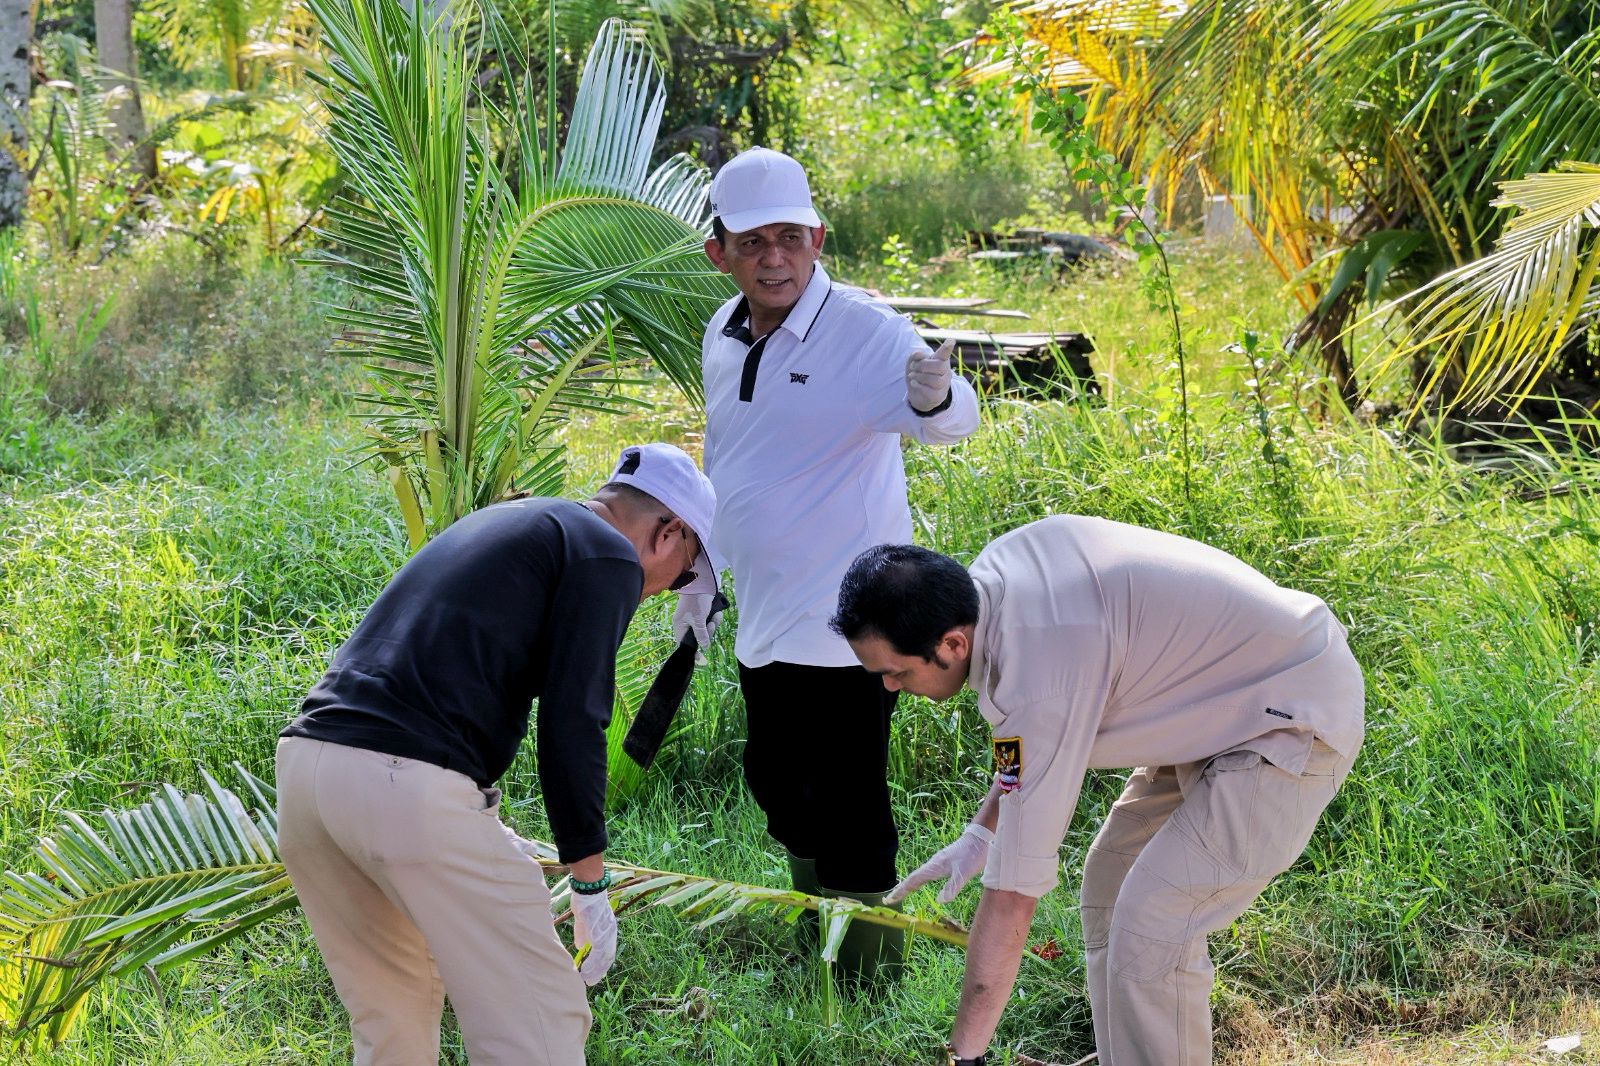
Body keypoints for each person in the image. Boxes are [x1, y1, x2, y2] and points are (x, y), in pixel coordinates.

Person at [829, 516, 1365, 1065]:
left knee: (1155, 921)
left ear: (951, 643)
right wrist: (979, 832)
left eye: (895, 672)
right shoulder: (992, 586)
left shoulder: (1043, 664)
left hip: (1288, 716)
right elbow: (1023, 742)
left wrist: (964, 1057)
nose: (889, 687)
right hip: (1214, 705)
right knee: (1108, 880)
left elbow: (1013, 897)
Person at [276, 443, 722, 1066]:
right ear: (668, 532)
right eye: (680, 576)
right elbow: (574, 720)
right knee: (540, 1023)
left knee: (393, 1022)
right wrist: (590, 880)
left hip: (307, 775)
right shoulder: (607, 552)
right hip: (402, 785)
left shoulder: (518, 520)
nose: (658, 593)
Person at [672, 145, 980, 981]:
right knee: (776, 785)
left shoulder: (865, 330)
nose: (774, 258)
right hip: (763, 612)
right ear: (719, 252)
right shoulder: (721, 332)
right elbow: (732, 458)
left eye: (789, 238)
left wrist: (931, 397)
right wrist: (704, 564)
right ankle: (820, 928)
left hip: (849, 633)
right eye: (752, 242)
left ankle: (870, 972)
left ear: (816, 237)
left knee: (847, 804)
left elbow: (952, 420)